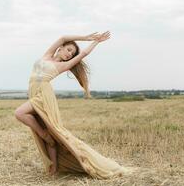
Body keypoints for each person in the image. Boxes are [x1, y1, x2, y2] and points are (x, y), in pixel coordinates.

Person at [15, 31, 136, 178]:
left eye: (71, 54)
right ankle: (53, 169)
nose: (69, 54)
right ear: (60, 48)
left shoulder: (63, 65)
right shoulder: (47, 55)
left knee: (20, 113)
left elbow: (83, 53)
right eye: (68, 50)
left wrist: (96, 42)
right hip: (34, 91)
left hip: (43, 95)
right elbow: (63, 37)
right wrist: (86, 37)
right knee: (51, 130)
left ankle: (44, 135)